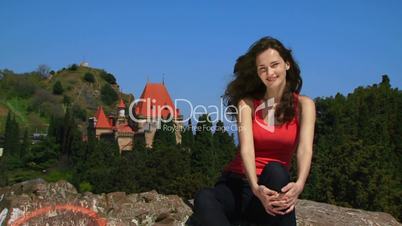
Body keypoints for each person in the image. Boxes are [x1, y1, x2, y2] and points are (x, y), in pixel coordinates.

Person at [191, 36, 316, 226]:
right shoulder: (247, 104)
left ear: (287, 65)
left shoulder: (305, 105)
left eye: (275, 65)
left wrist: (299, 184)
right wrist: (255, 188)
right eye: (263, 68)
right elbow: (246, 150)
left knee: (276, 170)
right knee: (204, 198)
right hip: (239, 184)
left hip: (272, 186)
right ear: (257, 73)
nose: (270, 72)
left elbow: (305, 149)